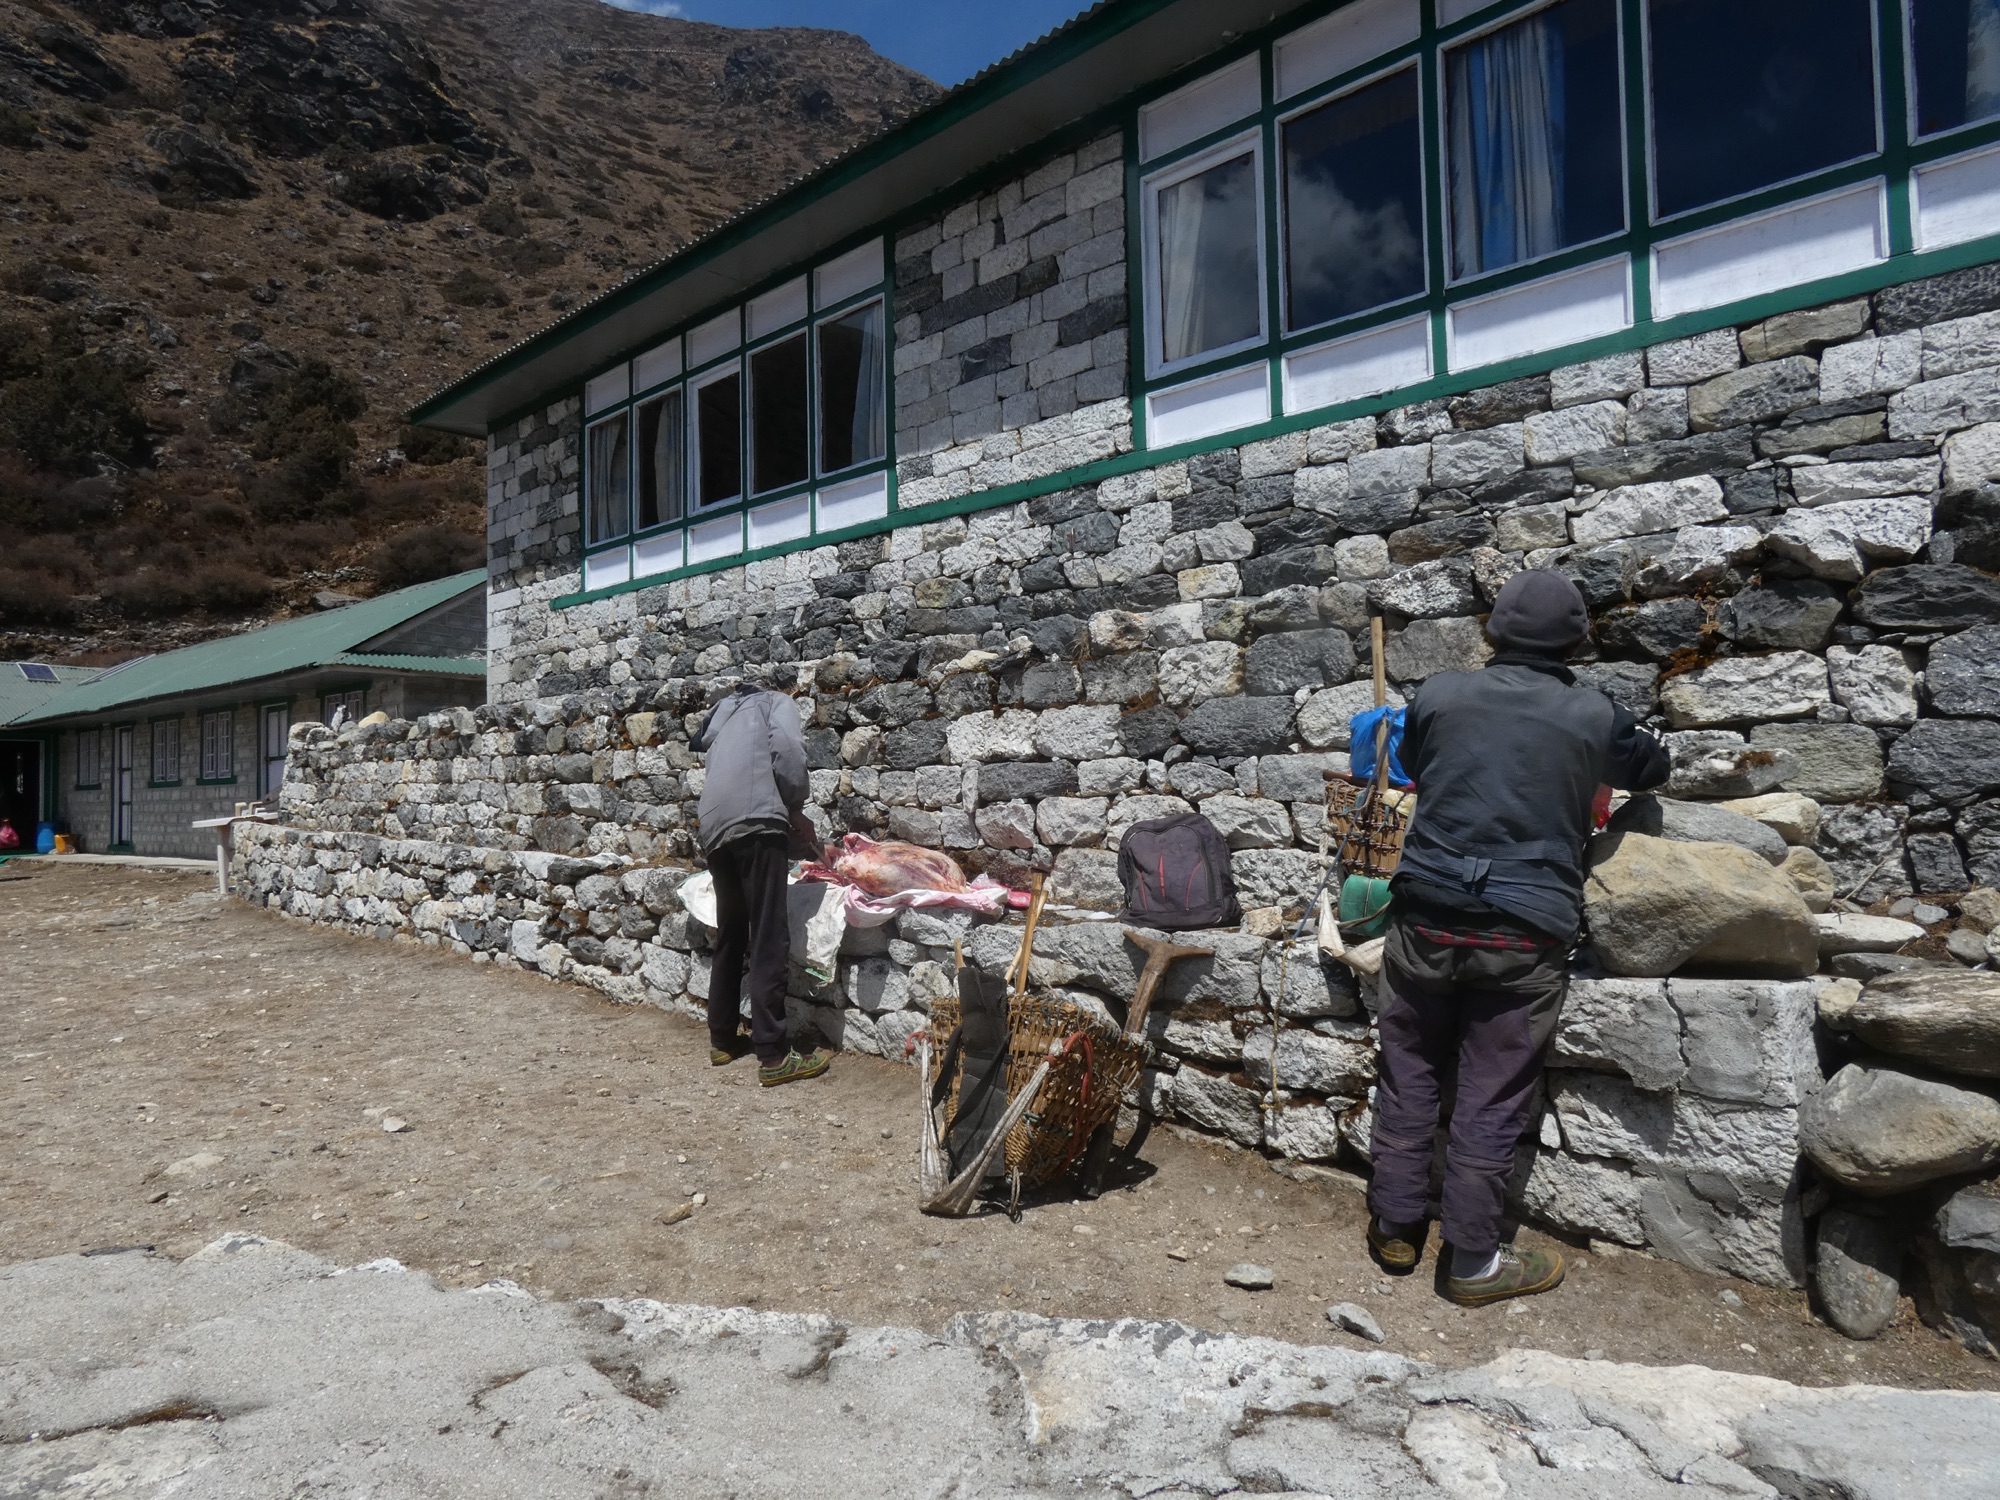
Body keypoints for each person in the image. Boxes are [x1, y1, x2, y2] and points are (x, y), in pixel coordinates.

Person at [1365, 570, 1669, 1306]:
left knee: (1409, 1068)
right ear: (1576, 639)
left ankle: (1397, 1226)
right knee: (1492, 1092)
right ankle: (1472, 1262)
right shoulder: (1593, 713)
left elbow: (1412, 762)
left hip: (1426, 917)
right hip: (1524, 931)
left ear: (1494, 630)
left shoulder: (1438, 694)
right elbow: (1652, 767)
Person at [691, 680, 830, 1088]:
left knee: (732, 931)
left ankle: (722, 1039)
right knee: (769, 933)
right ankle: (773, 1054)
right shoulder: (774, 702)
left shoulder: (721, 721)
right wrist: (795, 807)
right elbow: (787, 750)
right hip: (756, 823)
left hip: (714, 828)